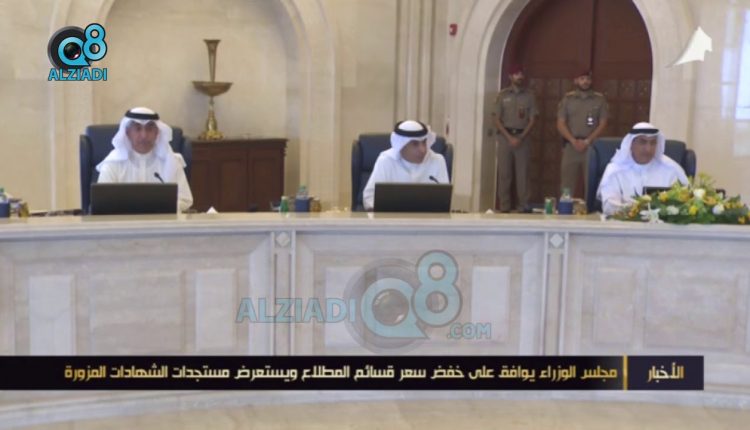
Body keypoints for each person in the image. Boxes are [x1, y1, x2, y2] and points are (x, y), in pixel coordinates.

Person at [97, 107, 193, 212]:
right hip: (124, 221)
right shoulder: (112, 163)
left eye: (149, 129)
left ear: (157, 133)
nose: (144, 135)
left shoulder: (172, 162)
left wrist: (157, 209)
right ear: (128, 133)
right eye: (138, 129)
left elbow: (185, 200)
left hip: (162, 221)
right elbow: (103, 202)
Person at [597, 122, 689, 215]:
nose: (648, 149)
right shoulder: (614, 171)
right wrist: (636, 210)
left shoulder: (671, 170)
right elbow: (609, 207)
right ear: (631, 144)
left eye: (653, 143)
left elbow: (682, 203)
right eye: (643, 142)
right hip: (625, 222)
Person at [362, 120, 449, 211]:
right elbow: (369, 198)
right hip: (392, 218)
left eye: (424, 142)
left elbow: (444, 201)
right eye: (415, 144)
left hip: (428, 219)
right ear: (401, 145)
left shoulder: (437, 161)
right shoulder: (386, 161)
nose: (423, 150)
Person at [493, 64, 538, 212]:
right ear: (510, 77)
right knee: (504, 174)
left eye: (521, 74)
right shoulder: (502, 95)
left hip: (523, 139)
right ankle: (504, 206)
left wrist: (521, 137)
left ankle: (523, 205)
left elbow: (533, 119)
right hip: (505, 138)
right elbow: (496, 119)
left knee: (523, 174)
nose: (519, 77)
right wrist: (509, 137)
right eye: (516, 74)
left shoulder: (529, 96)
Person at [557, 70, 609, 198]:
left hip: (591, 147)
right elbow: (560, 123)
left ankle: (590, 207)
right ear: (576, 81)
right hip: (571, 146)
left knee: (591, 182)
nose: (585, 82)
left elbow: (603, 124)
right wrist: (573, 140)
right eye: (582, 79)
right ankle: (565, 206)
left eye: (587, 79)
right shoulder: (568, 99)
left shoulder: (599, 100)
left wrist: (587, 141)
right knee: (567, 184)